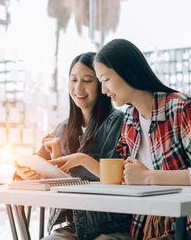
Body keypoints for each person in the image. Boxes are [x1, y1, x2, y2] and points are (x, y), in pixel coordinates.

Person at [91, 39, 191, 240]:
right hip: (145, 226)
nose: (103, 91)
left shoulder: (181, 107)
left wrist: (149, 177)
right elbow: (128, 177)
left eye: (105, 80)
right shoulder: (130, 119)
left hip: (188, 228)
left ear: (127, 70)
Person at [15, 52, 132, 240]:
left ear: (102, 84)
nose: (78, 88)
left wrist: (78, 163)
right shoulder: (62, 128)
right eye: (73, 80)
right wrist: (27, 173)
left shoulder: (117, 122)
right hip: (71, 228)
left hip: (110, 227)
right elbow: (39, 166)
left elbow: (118, 179)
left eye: (87, 80)